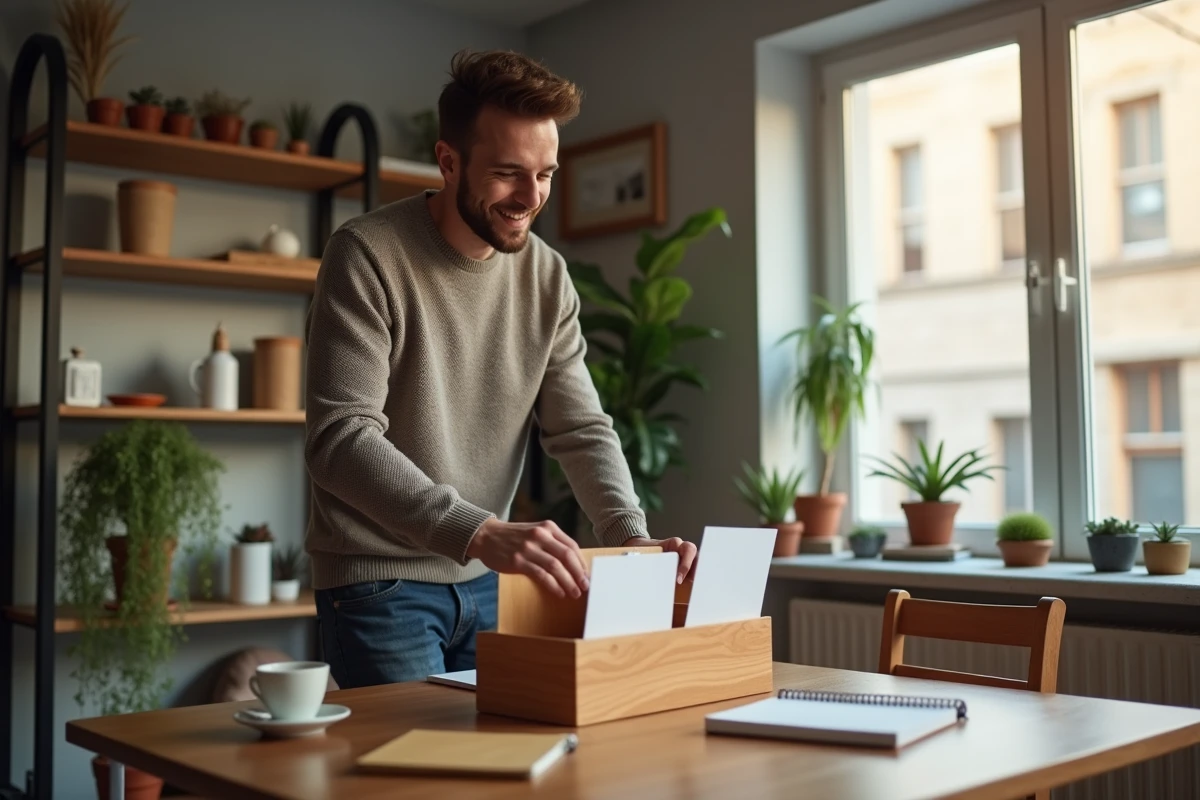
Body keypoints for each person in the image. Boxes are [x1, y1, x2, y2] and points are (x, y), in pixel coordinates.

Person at [304, 49, 698, 690]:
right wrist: (479, 531)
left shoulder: (547, 275)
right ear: (449, 161)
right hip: (379, 586)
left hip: (492, 581)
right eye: (508, 173)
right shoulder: (366, 254)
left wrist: (631, 537)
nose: (531, 196)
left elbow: (580, 427)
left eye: (545, 174)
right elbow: (339, 440)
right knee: (422, 759)